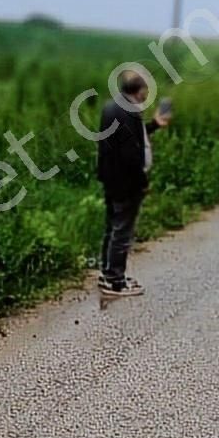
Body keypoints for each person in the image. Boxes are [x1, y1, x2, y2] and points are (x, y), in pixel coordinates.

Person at [94, 69, 168, 297]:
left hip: (111, 178)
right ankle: (115, 282)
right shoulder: (130, 112)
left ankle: (107, 273)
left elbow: (131, 137)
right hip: (126, 182)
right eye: (146, 88)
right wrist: (142, 181)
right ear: (140, 89)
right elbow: (131, 154)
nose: (148, 93)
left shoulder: (114, 106)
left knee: (112, 226)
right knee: (122, 230)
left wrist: (154, 125)